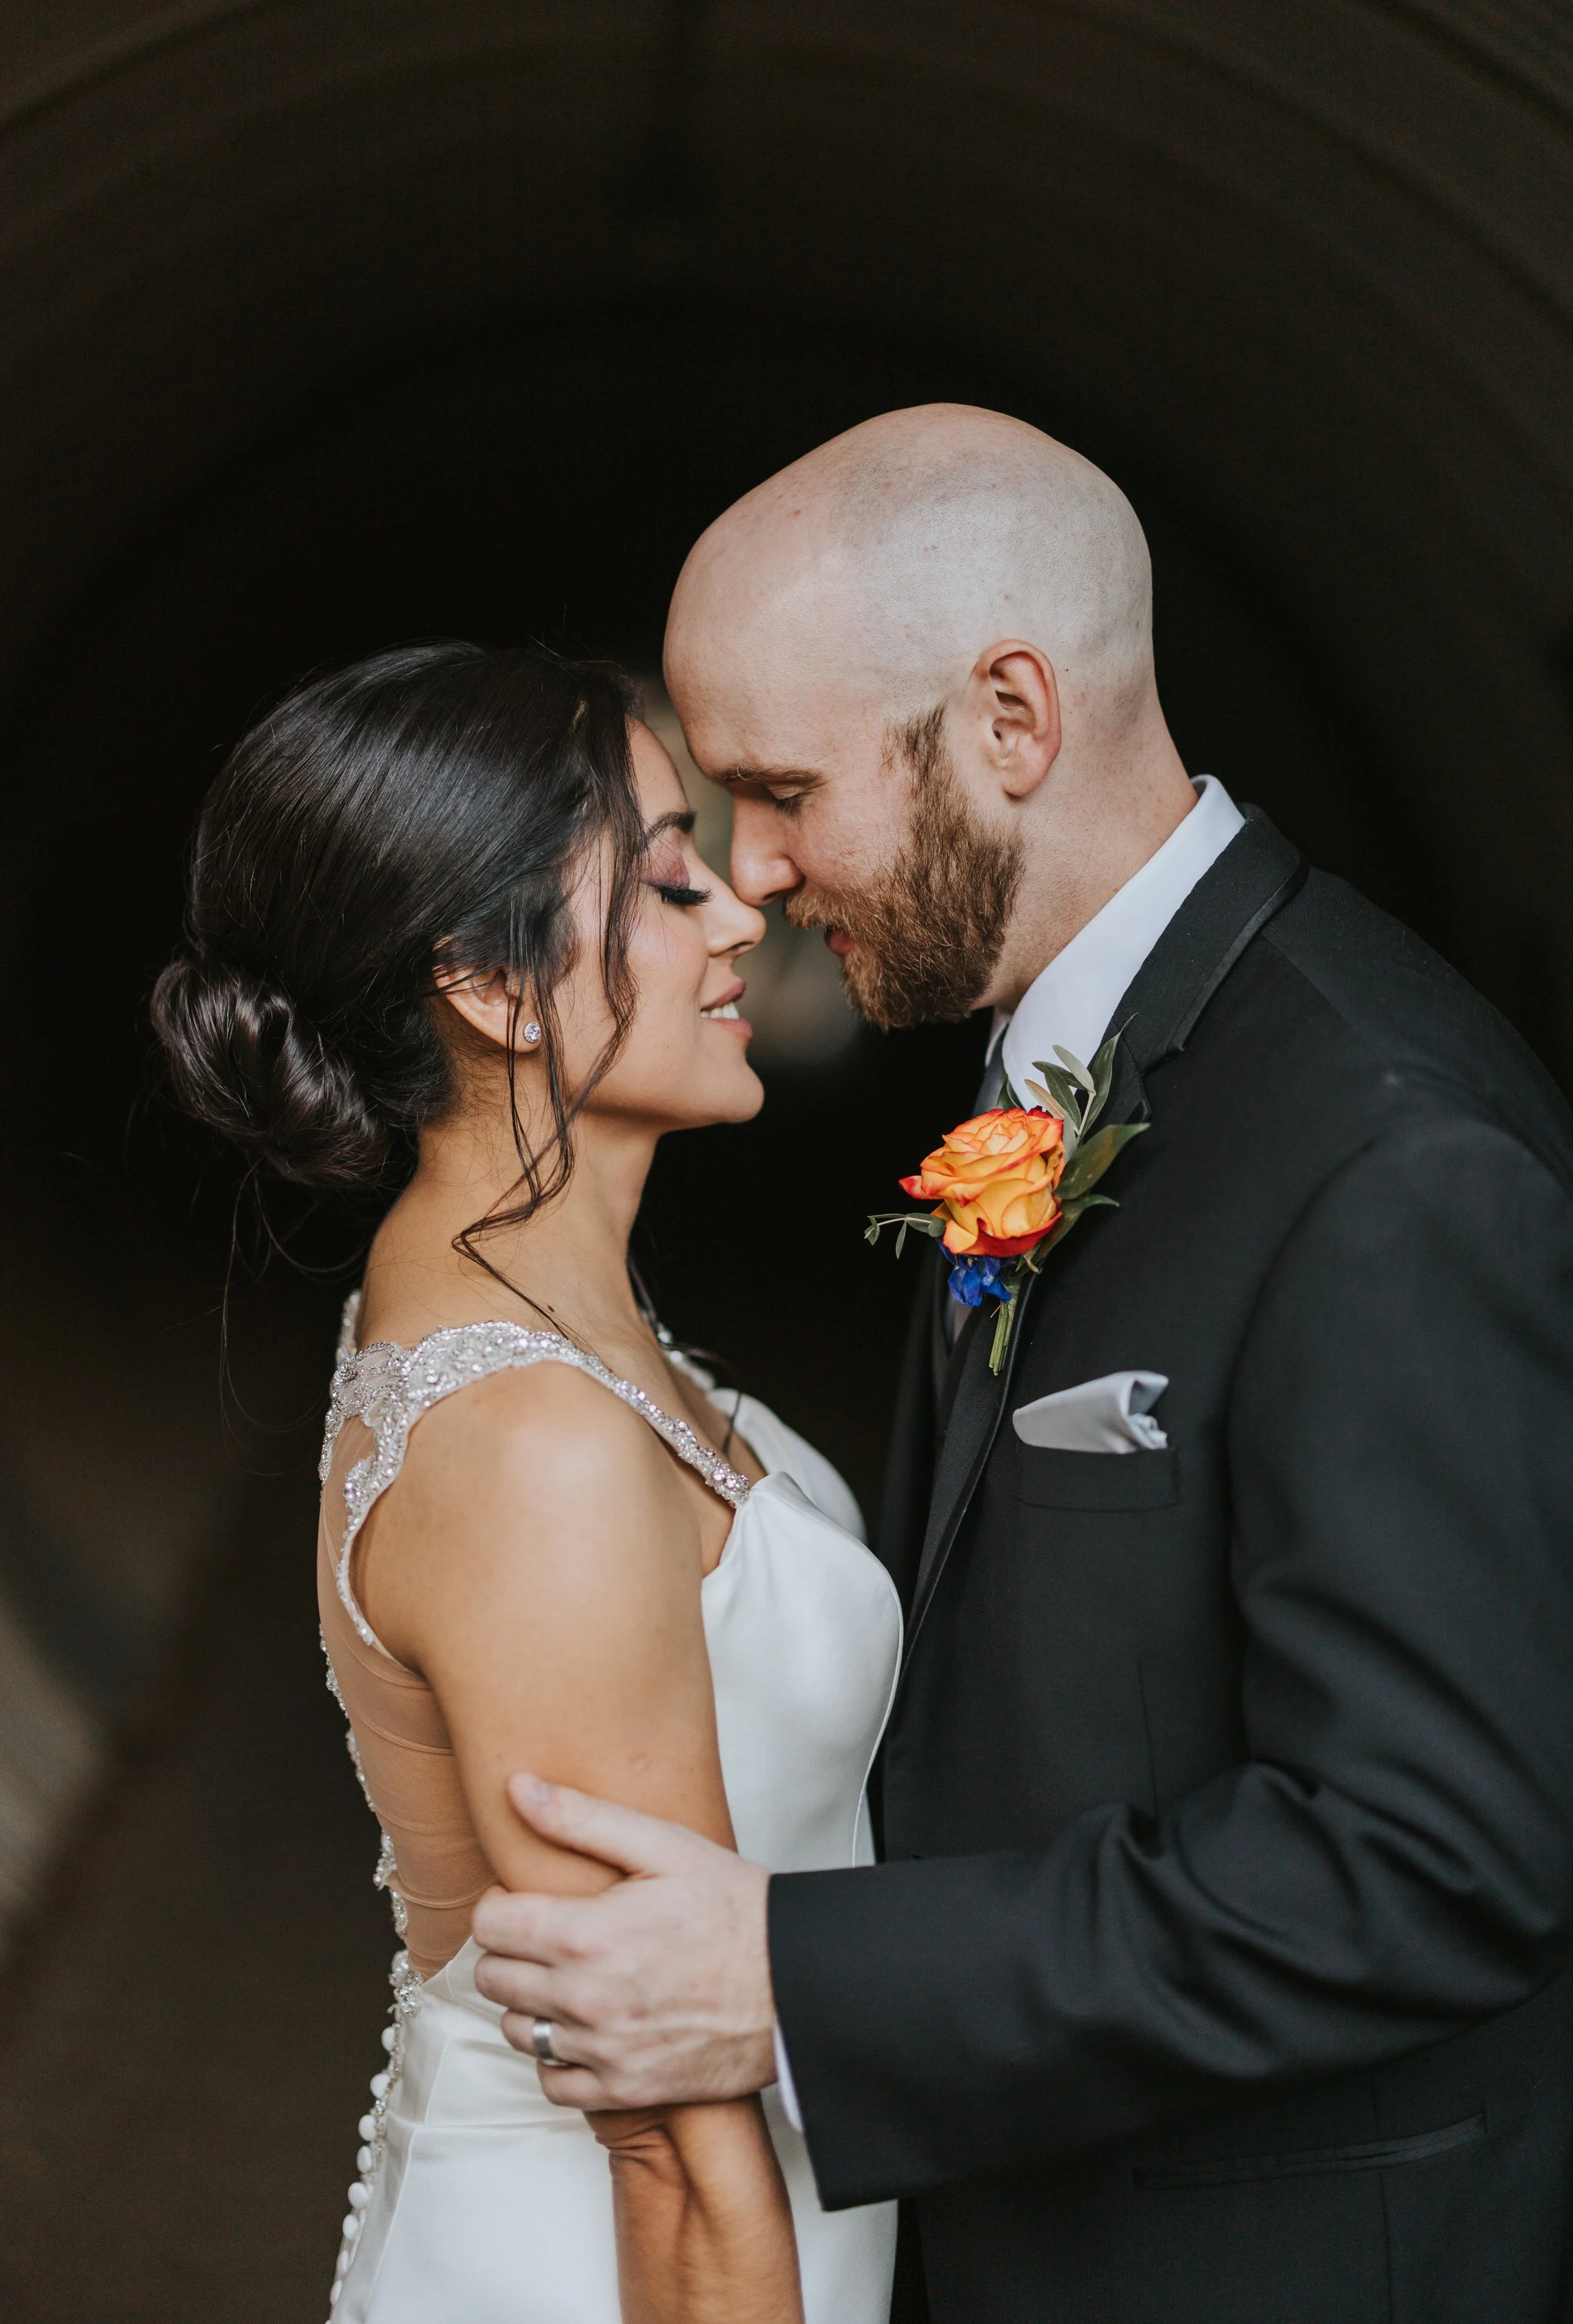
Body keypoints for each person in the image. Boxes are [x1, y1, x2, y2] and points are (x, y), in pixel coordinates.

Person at [471, 407, 1573, 2323]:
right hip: (1029, 2220)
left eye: (783, 787)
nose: (759, 870)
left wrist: (794, 1981)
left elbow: (1433, 1853)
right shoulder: (1055, 1056)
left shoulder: (1395, 1160)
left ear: (1007, 718)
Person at [152, 643, 901, 2323]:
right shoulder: (533, 1447)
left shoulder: (517, 1315)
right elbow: (669, 2143)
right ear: (487, 986)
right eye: (662, 878)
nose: (736, 919)